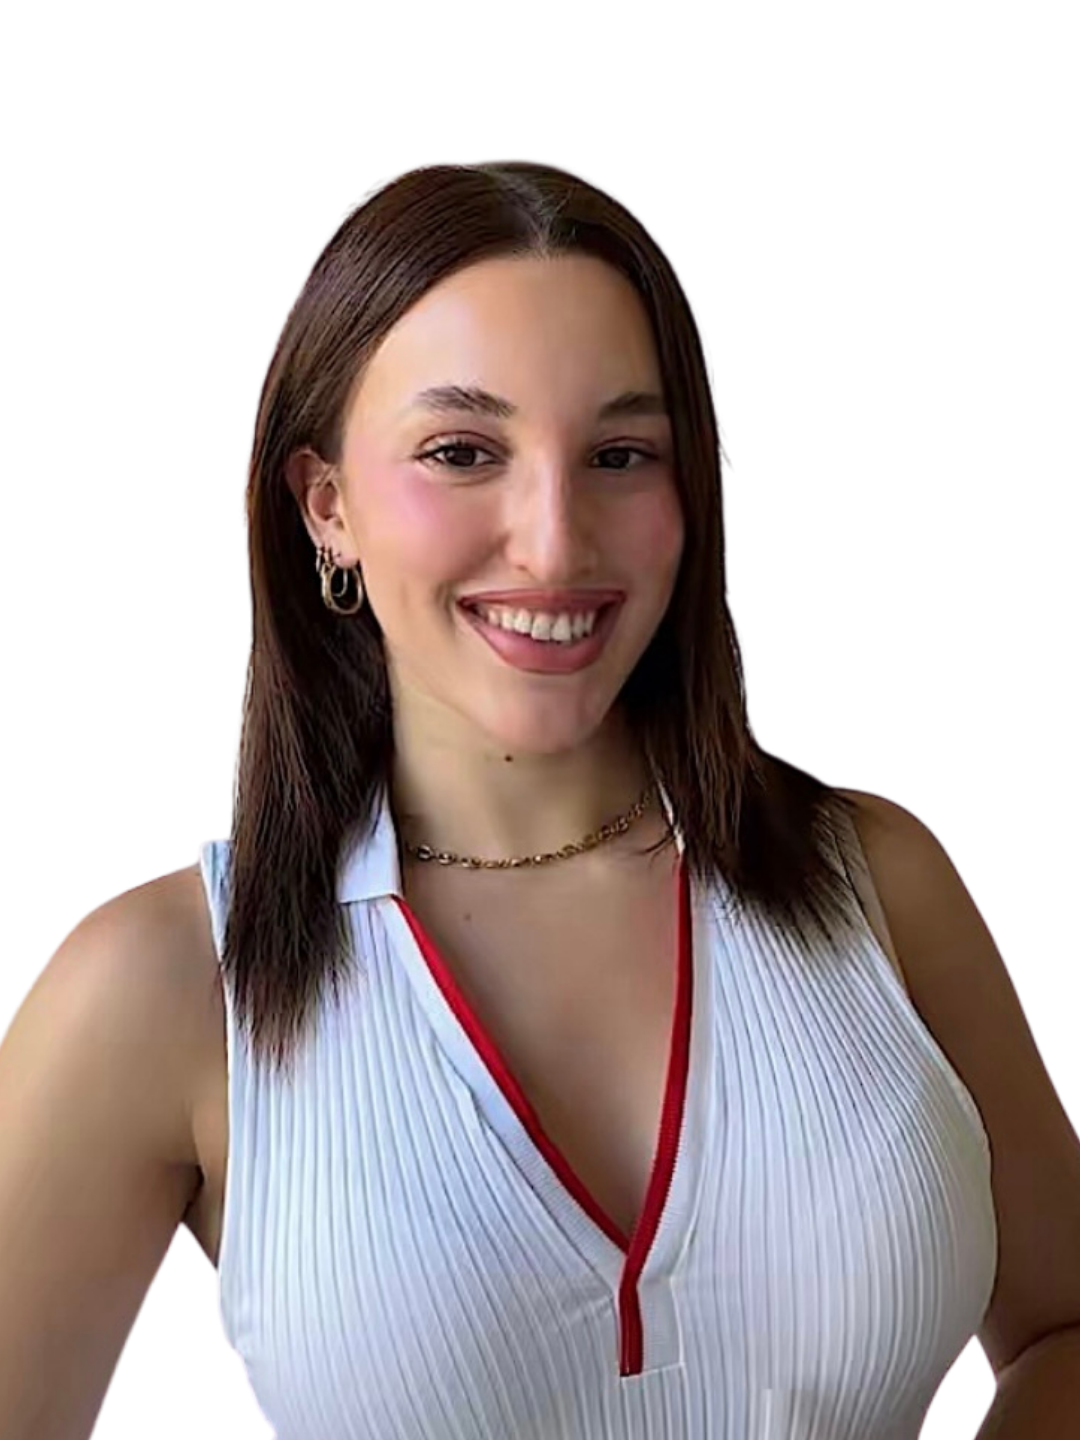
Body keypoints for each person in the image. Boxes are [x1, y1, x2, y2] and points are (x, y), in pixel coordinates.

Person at [2, 160, 1078, 1440]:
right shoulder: (161, 987)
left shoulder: (877, 884)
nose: (556, 542)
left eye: (621, 454)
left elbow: (1064, 1333)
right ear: (327, 507)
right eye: (462, 452)